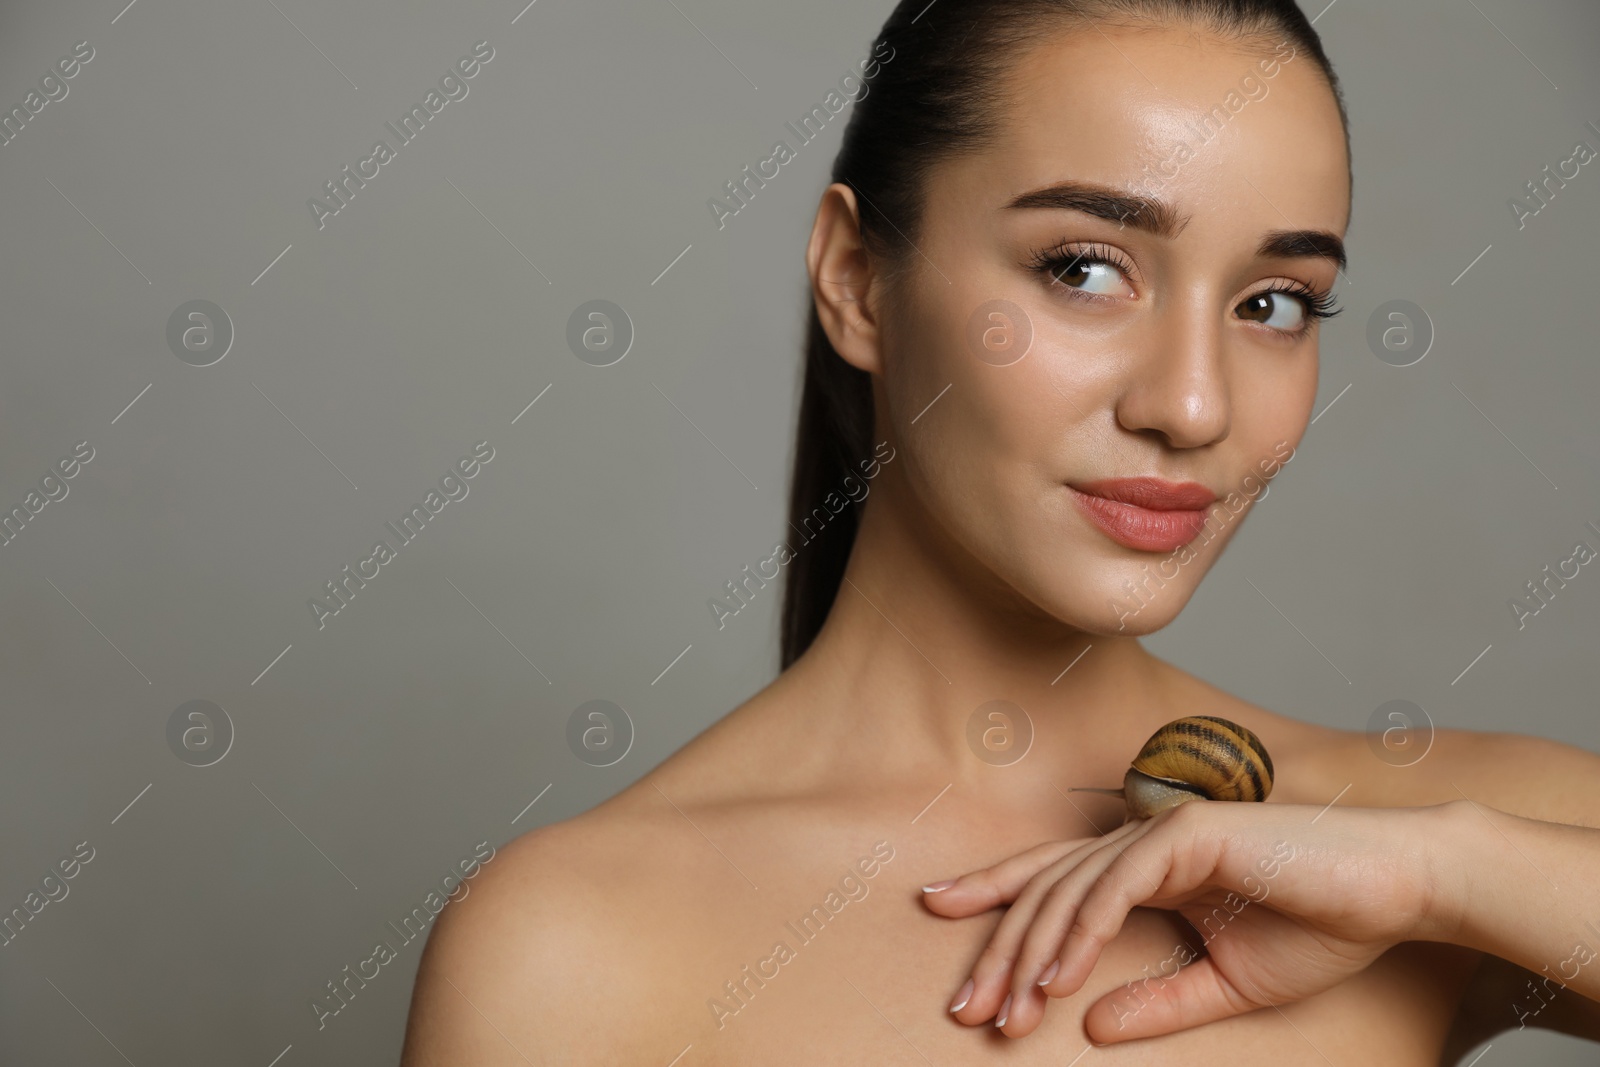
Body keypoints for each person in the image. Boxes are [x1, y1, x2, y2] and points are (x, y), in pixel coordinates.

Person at [399, 1, 1600, 1062]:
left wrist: (1449, 878)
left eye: (1272, 302)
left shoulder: (1446, 835)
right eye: (1084, 269)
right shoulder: (571, 945)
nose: (1192, 404)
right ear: (857, 278)